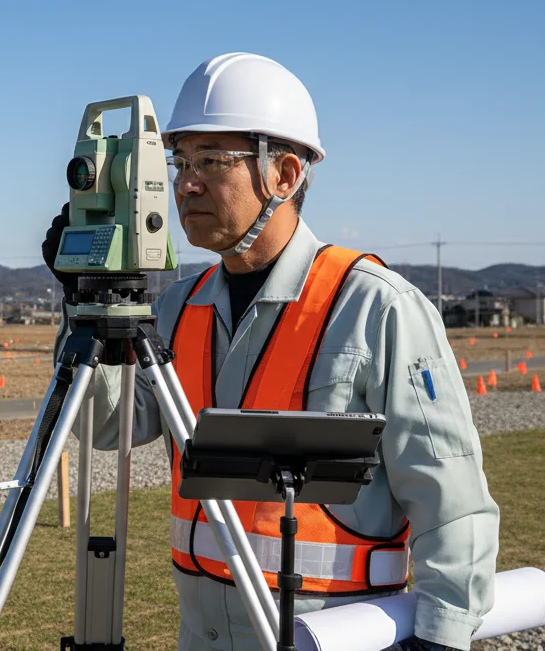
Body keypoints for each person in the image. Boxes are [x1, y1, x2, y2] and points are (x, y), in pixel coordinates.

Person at [42, 53, 499, 651]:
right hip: (204, 636)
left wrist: (442, 635)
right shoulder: (178, 307)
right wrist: (86, 304)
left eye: (211, 161)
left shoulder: (377, 308)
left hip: (333, 634)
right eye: (179, 162)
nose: (185, 184)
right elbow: (106, 426)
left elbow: (450, 496)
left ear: (284, 175)